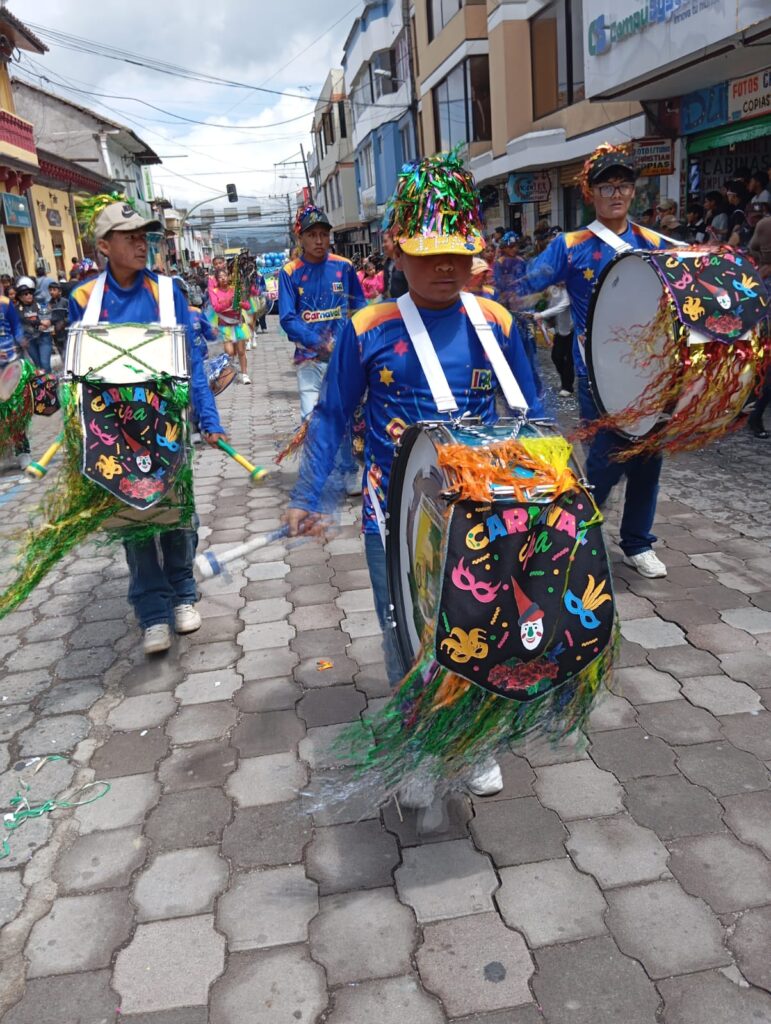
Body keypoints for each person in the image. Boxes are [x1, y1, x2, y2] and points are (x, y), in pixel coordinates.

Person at [286, 152, 543, 803]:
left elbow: (532, 415)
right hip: (392, 513)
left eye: (456, 253)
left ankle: (475, 738)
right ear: (396, 251)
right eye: (428, 254)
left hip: (485, 509)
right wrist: (310, 493)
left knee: (483, 621)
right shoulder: (367, 328)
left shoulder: (497, 322)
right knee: (405, 626)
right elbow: (332, 415)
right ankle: (419, 744)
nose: (445, 267)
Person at [69, 201, 227, 655]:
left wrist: (208, 419)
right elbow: (77, 377)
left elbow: (191, 361)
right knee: (134, 521)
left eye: (145, 237)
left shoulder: (168, 291)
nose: (142, 245)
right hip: (114, 430)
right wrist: (78, 433)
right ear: (104, 246)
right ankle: (152, 612)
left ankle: (183, 594)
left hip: (166, 425)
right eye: (130, 237)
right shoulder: (83, 298)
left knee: (178, 515)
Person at [520, 143, 669, 579]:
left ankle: (637, 542)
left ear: (634, 191)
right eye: (606, 186)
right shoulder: (570, 246)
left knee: (648, 461)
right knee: (606, 459)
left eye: (623, 185)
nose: (616, 193)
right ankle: (575, 533)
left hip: (651, 376)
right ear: (591, 193)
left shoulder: (655, 243)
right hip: (597, 376)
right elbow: (528, 283)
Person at [278, 204, 366, 420]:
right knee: (311, 420)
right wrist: (317, 342)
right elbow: (287, 318)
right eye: (312, 235)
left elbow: (359, 308)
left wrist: (359, 342)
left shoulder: (344, 267)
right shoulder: (289, 272)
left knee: (349, 418)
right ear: (300, 238)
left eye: (324, 234)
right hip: (309, 358)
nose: (319, 241)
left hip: (343, 357)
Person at [208, 267, 250, 384]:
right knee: (230, 352)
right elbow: (216, 307)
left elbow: (247, 306)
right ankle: (230, 371)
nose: (223, 279)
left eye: (225, 276)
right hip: (224, 325)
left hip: (238, 324)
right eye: (220, 277)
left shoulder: (235, 289)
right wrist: (229, 302)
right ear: (217, 279)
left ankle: (244, 374)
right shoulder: (214, 291)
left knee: (241, 351)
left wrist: (240, 303)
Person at [532, 284, 574, 396]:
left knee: (569, 359)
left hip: (572, 329)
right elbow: (551, 307)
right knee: (556, 356)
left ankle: (567, 386)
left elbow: (563, 305)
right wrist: (544, 320)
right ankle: (566, 380)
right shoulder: (553, 289)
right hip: (560, 330)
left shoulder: (568, 289)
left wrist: (541, 314)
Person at [16, 276, 53, 372]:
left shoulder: (40, 303)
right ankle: (44, 381)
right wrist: (40, 322)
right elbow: (23, 319)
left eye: (30, 293)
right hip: (30, 340)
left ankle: (51, 380)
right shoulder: (17, 309)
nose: (29, 295)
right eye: (25, 294)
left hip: (44, 337)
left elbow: (49, 316)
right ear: (20, 297)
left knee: (45, 364)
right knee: (38, 366)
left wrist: (48, 321)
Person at [47, 280, 69, 356]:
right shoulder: (49, 304)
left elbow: (71, 315)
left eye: (54, 290)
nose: (51, 292)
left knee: (68, 351)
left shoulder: (65, 302)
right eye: (50, 290)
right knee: (61, 352)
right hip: (56, 333)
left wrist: (63, 322)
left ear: (59, 291)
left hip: (66, 331)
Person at [383, 234, 408, 299]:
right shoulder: (387, 262)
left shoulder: (406, 262)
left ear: (394, 242)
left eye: (385, 241)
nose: (383, 245)